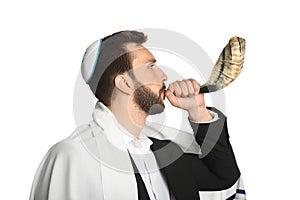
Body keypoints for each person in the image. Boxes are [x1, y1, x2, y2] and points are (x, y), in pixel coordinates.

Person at [29, 30, 246, 200]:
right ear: (123, 82)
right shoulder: (73, 156)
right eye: (151, 67)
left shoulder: (164, 150)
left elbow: (225, 180)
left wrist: (197, 111)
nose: (163, 76)